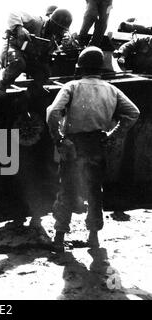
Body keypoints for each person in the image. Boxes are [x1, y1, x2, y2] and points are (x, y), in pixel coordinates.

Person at [46, 47, 140, 252]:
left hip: (73, 145)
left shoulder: (71, 86)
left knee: (67, 190)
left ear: (80, 67)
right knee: (95, 191)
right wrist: (114, 135)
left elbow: (53, 112)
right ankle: (93, 237)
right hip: (97, 145)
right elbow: (133, 112)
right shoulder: (112, 90)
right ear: (100, 67)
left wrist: (59, 139)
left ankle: (60, 238)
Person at [0, 8, 73, 98]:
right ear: (53, 24)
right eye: (59, 28)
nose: (60, 32)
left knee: (45, 72)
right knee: (18, 62)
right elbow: (13, 13)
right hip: (13, 48)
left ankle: (29, 94)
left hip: (28, 56)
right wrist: (19, 28)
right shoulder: (35, 21)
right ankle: (3, 84)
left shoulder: (53, 37)